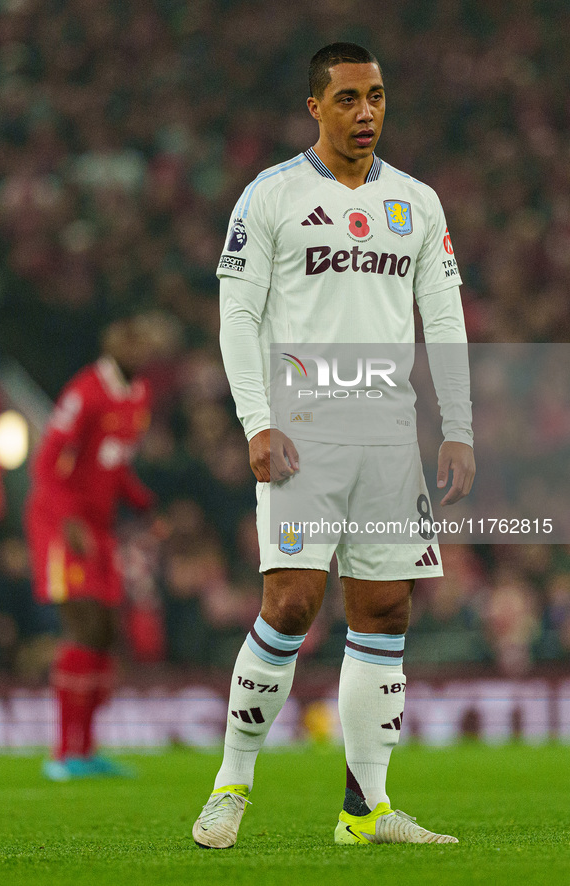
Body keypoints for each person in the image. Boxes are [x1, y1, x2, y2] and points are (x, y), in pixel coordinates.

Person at [192, 42, 475, 848]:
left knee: (384, 610)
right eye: (348, 99)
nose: (365, 114)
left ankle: (366, 810)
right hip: (303, 425)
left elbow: (443, 319)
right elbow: (238, 315)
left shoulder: (416, 202)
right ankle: (231, 786)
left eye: (376, 97)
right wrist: (256, 419)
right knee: (289, 601)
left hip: (387, 429)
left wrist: (455, 426)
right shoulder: (271, 196)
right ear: (315, 107)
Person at [25, 311, 157, 780]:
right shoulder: (85, 392)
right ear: (114, 346)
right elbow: (45, 463)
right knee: (83, 626)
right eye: (134, 344)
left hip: (99, 529)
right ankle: (64, 753)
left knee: (104, 633)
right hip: (63, 524)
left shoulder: (139, 394)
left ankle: (87, 748)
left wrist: (142, 502)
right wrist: (68, 520)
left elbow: (114, 463)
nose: (143, 353)